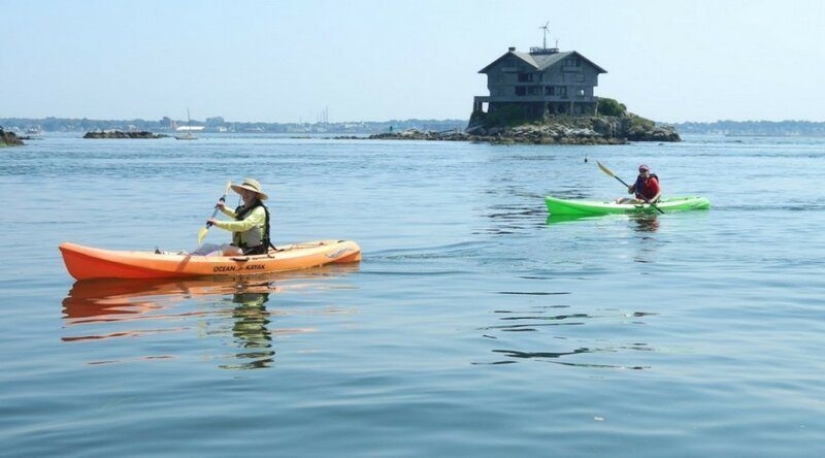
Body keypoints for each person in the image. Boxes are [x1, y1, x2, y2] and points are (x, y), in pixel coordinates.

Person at [195, 178, 272, 256]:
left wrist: (217, 223)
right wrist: (223, 209)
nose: (245, 193)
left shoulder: (259, 210)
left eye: (249, 191)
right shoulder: (244, 208)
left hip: (253, 251)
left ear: (256, 195)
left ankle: (202, 263)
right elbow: (238, 216)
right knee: (207, 246)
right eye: (244, 190)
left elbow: (244, 225)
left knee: (224, 247)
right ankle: (191, 256)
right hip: (240, 248)